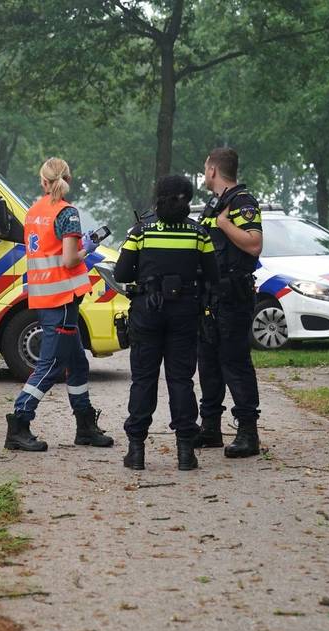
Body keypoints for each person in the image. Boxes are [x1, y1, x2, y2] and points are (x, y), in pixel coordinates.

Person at [5, 158, 114, 452]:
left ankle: (85, 426)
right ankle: (19, 421)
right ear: (68, 179)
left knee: (78, 363)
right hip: (64, 299)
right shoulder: (68, 214)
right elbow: (69, 260)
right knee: (51, 364)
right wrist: (87, 248)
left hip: (43, 296)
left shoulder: (33, 212)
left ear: (43, 182)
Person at [114, 175, 219, 471]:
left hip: (147, 311)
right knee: (181, 380)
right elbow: (213, 275)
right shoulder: (198, 234)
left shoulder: (141, 232)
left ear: (158, 198)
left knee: (143, 380)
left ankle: (136, 451)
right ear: (187, 199)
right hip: (185, 312)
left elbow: (122, 273)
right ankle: (186, 452)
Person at [194, 147, 264, 458]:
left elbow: (254, 244)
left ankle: (248, 433)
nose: (204, 173)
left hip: (233, 295)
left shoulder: (241, 202)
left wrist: (224, 224)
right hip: (209, 296)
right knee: (208, 363)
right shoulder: (214, 205)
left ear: (213, 170)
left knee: (234, 363)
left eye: (205, 168)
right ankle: (210, 428)